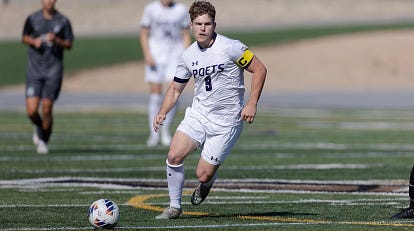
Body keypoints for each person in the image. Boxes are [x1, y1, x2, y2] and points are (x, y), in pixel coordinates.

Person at [152, 1, 267, 219]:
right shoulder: (188, 56)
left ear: (214, 24)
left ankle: (207, 182)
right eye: (198, 24)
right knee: (174, 155)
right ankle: (174, 206)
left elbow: (259, 69)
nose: (203, 28)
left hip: (226, 122)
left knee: (202, 174)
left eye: (207, 24)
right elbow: (175, 89)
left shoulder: (231, 47)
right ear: (190, 26)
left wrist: (252, 102)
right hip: (199, 114)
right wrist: (162, 112)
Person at [22, 0, 74, 154]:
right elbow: (24, 36)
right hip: (34, 71)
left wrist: (57, 40)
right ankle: (39, 127)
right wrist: (33, 41)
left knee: (46, 109)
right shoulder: (32, 19)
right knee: (31, 111)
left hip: (53, 70)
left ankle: (43, 139)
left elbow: (70, 44)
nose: (49, 1)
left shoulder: (63, 21)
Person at [140, 0, 191, 147]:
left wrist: (186, 55)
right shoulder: (150, 9)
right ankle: (153, 132)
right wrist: (147, 54)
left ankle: (165, 129)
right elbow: (144, 33)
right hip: (156, 55)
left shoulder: (181, 10)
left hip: (175, 55)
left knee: (175, 91)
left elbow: (185, 34)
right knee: (155, 94)